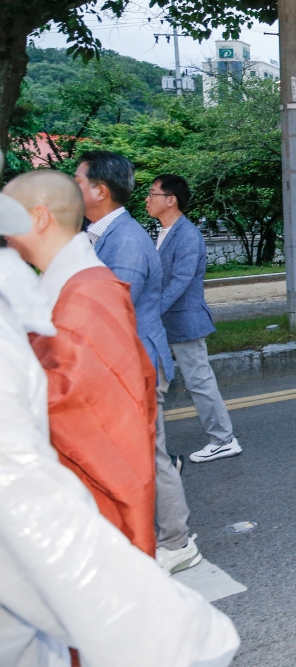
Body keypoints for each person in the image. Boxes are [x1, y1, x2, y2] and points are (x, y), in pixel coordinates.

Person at [0, 195, 241, 667]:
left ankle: (178, 533)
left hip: (148, 345)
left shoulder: (129, 243)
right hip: (136, 349)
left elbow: (137, 299)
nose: (150, 198)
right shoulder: (113, 242)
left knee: (157, 444)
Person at [3, 171, 159, 556]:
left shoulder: (88, 293)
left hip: (86, 499)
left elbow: (76, 405)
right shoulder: (68, 283)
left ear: (39, 219)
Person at [74, 151, 199, 573]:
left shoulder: (124, 240)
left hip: (137, 362)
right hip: (125, 362)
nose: (72, 190)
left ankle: (177, 541)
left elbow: (113, 309)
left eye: (78, 181)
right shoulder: (102, 234)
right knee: (135, 453)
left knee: (151, 454)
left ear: (100, 191)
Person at [145, 174, 240, 463]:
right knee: (155, 381)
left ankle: (224, 440)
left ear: (170, 200)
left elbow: (180, 281)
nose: (147, 200)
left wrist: (150, 309)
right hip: (163, 322)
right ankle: (147, 442)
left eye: (152, 194)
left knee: (199, 381)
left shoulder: (186, 234)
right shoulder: (164, 232)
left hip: (184, 321)